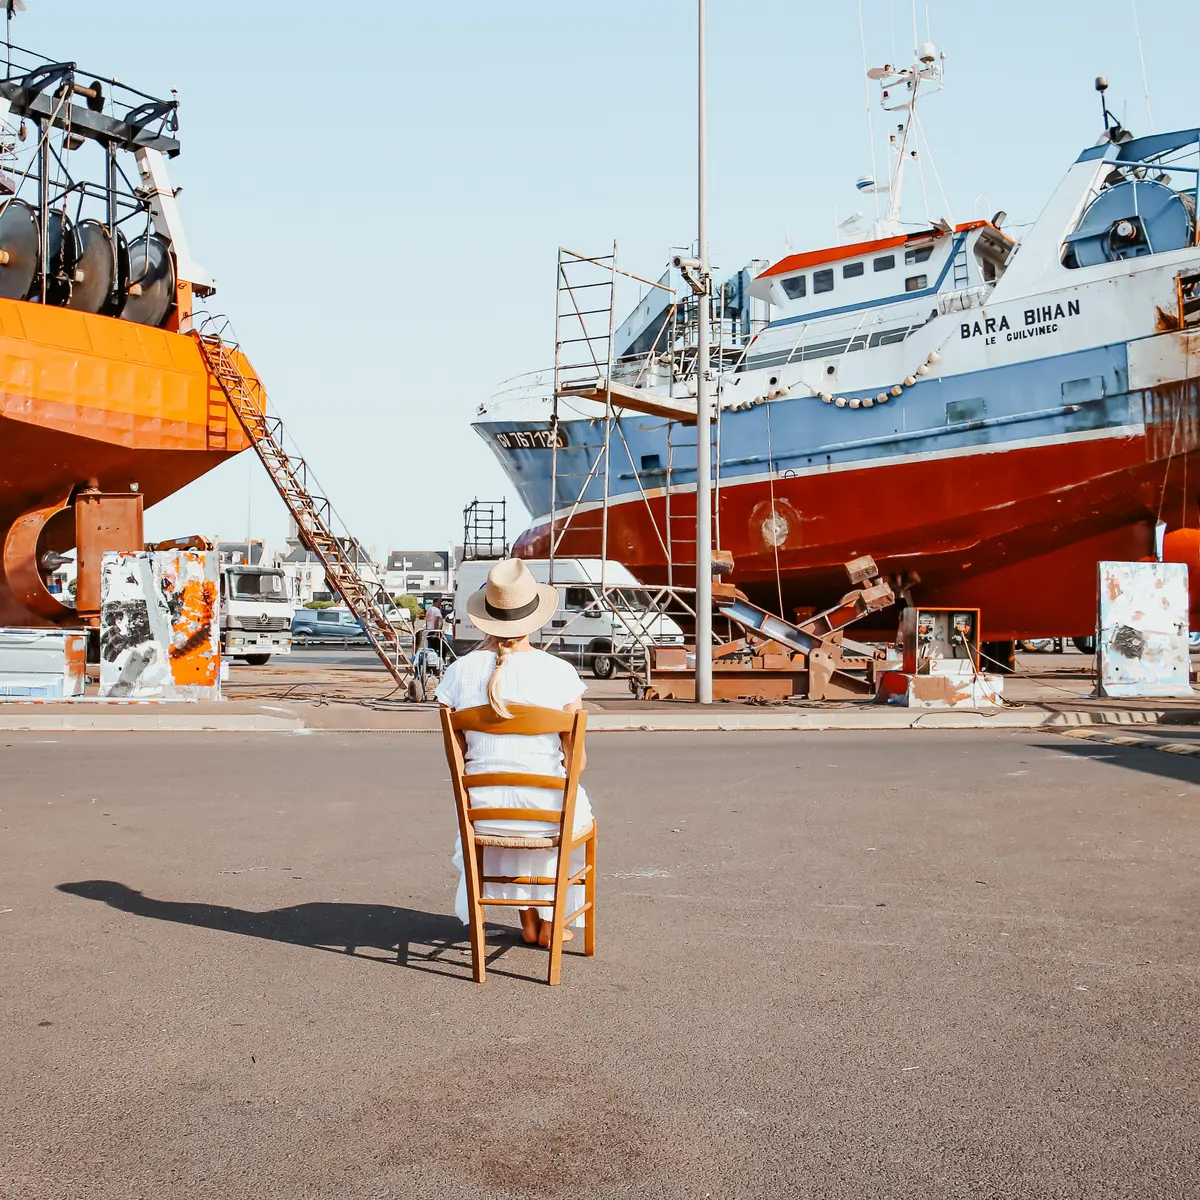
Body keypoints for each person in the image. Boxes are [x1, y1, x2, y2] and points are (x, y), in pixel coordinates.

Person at [435, 558, 593, 948]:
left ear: (486, 617)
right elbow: (578, 761)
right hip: (545, 813)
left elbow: (457, 756)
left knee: (512, 793)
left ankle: (529, 920)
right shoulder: (559, 672)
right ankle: (551, 920)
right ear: (534, 618)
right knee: (565, 804)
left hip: (483, 813)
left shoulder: (459, 672)